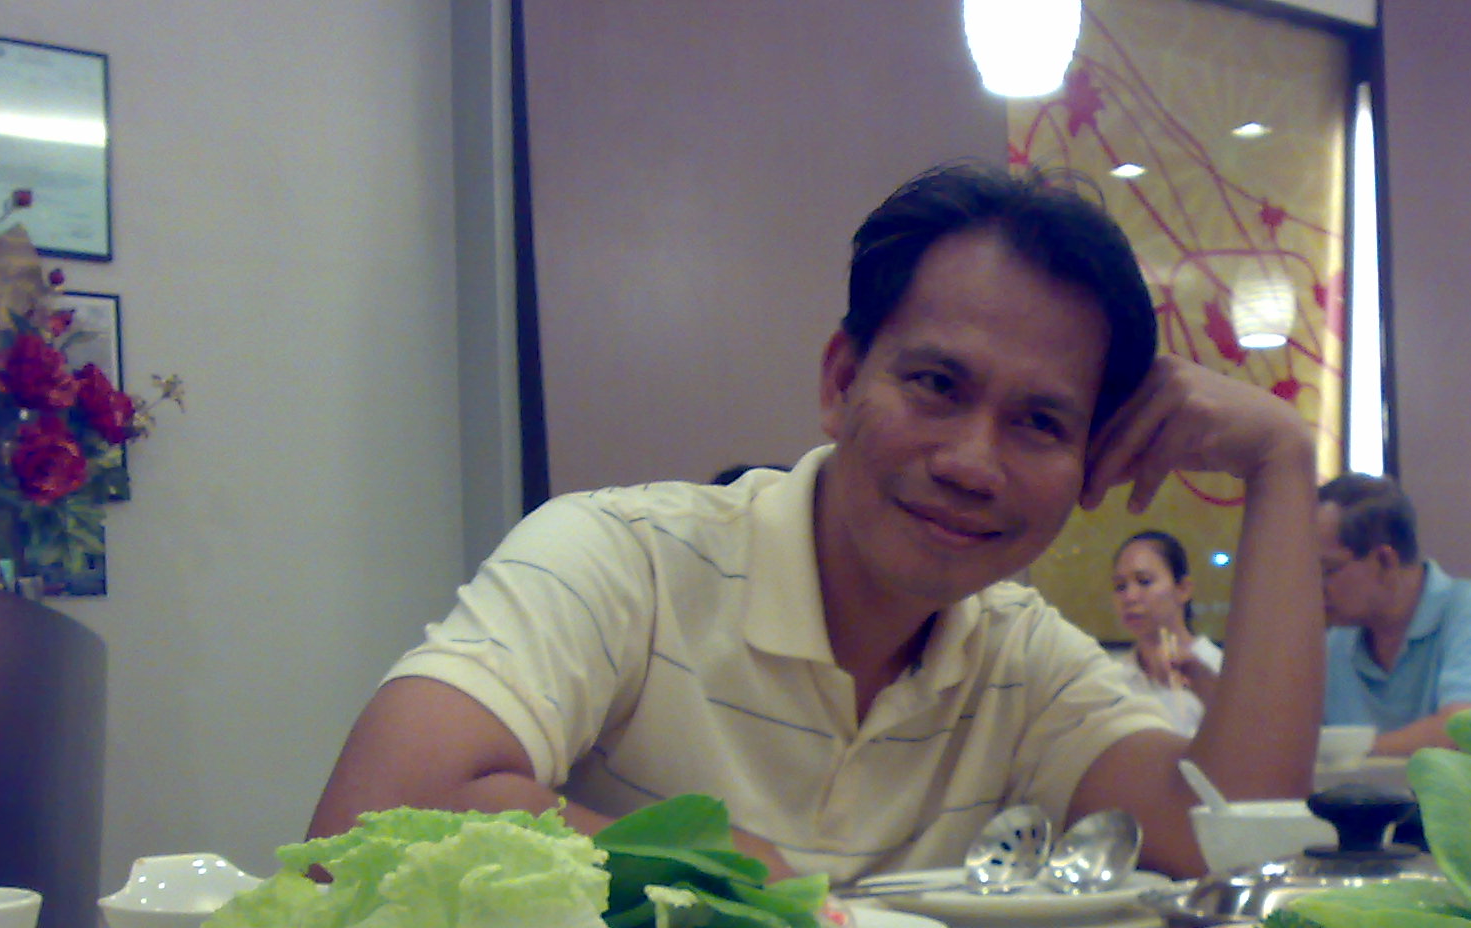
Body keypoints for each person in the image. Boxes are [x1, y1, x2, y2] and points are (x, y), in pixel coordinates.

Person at [308, 162, 1324, 880]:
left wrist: (1282, 469)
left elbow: (1223, 842)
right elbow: (368, 819)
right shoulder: (622, 561)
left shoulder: (1022, 662)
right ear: (841, 383)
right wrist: (733, 874)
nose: (972, 461)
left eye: (1039, 421)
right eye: (934, 384)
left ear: (1088, 465)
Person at [1314, 473, 1471, 756]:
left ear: (1385, 561)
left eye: (1327, 570)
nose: (1315, 587)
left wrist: (1341, 757)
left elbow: (1464, 731)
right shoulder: (1337, 640)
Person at [1109, 529, 1220, 733]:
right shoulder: (1111, 679)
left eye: (1144, 581)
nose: (1130, 596)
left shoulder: (1219, 667)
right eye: (1120, 586)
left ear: (1183, 589)